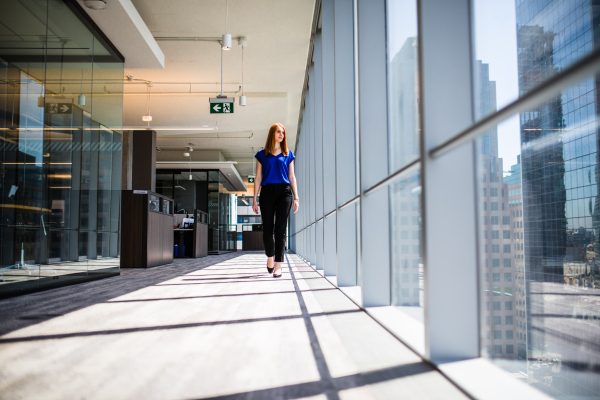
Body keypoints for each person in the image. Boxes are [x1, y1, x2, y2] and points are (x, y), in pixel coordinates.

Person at [252, 122, 299, 278]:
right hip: (267, 192)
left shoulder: (288, 154)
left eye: (283, 133)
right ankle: (270, 257)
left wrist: (296, 197)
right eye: (279, 132)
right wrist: (254, 198)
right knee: (267, 229)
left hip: (285, 193)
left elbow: (292, 176)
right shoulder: (262, 154)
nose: (281, 135)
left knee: (280, 229)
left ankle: (278, 264)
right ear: (272, 134)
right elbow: (258, 177)